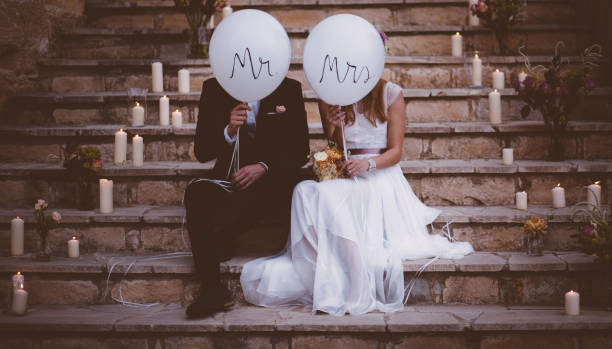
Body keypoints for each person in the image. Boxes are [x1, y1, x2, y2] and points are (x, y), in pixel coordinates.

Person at [241, 78, 474, 315]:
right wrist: (333, 127)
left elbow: (395, 152)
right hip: (349, 174)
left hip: (380, 175)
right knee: (303, 191)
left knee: (331, 198)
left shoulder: (391, 93)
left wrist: (368, 164)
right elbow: (336, 150)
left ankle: (357, 281)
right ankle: (325, 275)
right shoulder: (330, 96)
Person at [184, 77, 310, 318]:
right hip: (231, 180)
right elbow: (202, 151)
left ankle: (225, 234)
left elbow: (301, 149)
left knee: (301, 187)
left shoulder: (288, 88)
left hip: (273, 182)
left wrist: (264, 166)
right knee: (197, 192)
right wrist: (228, 130)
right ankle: (212, 289)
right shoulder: (215, 87)